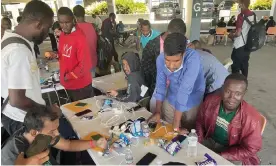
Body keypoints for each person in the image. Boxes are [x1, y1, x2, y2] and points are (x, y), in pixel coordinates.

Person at [1, 0, 54, 135]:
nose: (47, 33)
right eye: (47, 28)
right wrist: (48, 112)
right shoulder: (19, 50)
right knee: (39, 155)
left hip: (13, 115)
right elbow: (17, 100)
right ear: (38, 24)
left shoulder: (9, 39)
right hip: (23, 120)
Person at [1, 104, 107, 165]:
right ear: (34, 132)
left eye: (57, 128)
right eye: (52, 131)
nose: (57, 133)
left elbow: (68, 145)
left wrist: (95, 143)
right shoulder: (12, 152)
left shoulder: (42, 136)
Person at [196, 73, 262, 165]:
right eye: (228, 91)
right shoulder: (211, 101)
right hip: (209, 141)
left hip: (233, 151)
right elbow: (200, 121)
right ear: (222, 88)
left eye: (238, 94)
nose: (231, 98)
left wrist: (222, 155)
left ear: (244, 93)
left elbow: (251, 149)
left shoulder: (251, 118)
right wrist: (198, 140)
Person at [147, 33, 205, 131]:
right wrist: (158, 111)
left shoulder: (193, 59)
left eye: (176, 61)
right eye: (167, 60)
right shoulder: (160, 60)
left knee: (188, 131)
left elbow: (185, 90)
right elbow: (160, 85)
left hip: (192, 98)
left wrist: (176, 125)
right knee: (169, 130)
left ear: (184, 53)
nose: (171, 66)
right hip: (172, 96)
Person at [50, 7, 93, 102]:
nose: (64, 26)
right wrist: (56, 55)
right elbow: (65, 54)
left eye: (67, 22)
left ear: (73, 20)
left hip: (81, 86)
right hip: (68, 84)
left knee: (84, 114)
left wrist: (68, 76)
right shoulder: (62, 35)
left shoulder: (80, 38)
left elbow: (85, 66)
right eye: (61, 23)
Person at [141, 18, 186, 97]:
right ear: (170, 33)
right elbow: (145, 74)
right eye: (179, 38)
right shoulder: (152, 46)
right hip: (157, 89)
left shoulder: (181, 43)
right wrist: (143, 94)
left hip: (175, 90)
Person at [228, 0, 254, 78]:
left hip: (239, 45)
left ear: (242, 4)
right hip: (248, 44)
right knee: (245, 64)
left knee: (235, 66)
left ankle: (235, 84)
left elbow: (238, 34)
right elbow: (247, 29)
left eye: (239, 3)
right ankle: (244, 84)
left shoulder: (241, 15)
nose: (238, 4)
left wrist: (231, 35)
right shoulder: (253, 15)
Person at [73, 5, 98, 78]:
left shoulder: (74, 29)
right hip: (92, 61)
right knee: (91, 84)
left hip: (80, 65)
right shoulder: (92, 26)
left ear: (74, 15)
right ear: (84, 14)